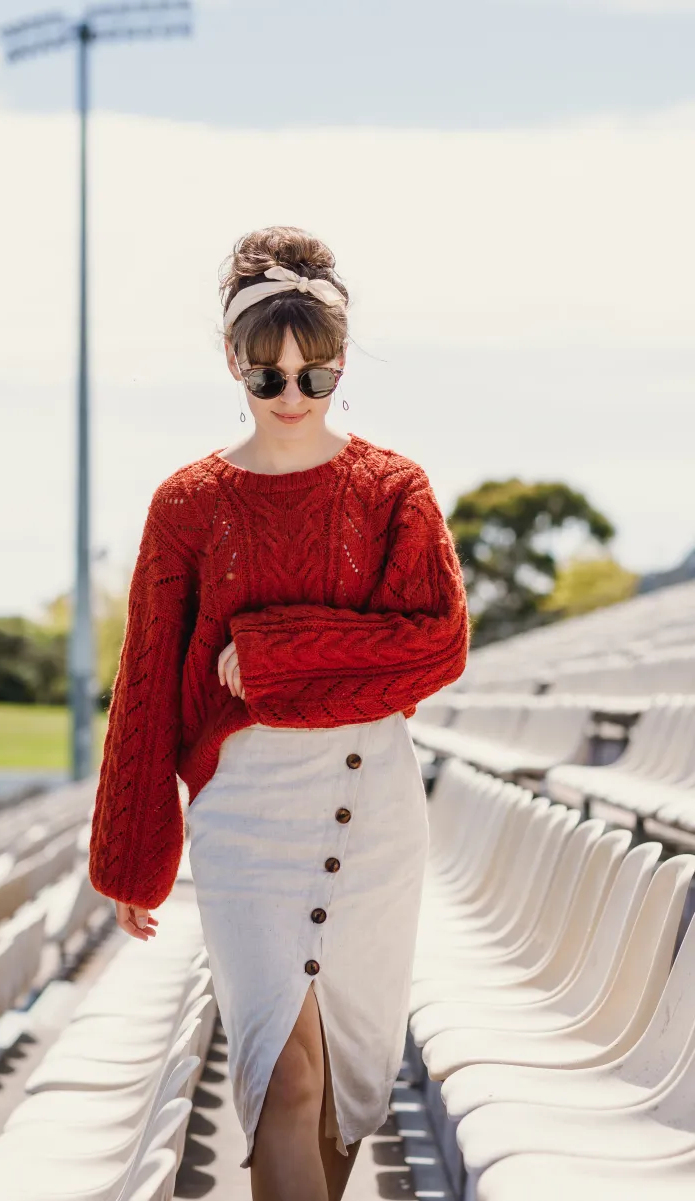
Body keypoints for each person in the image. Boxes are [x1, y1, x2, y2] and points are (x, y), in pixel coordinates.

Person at [89, 225, 469, 1200]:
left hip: (372, 809)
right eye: (269, 378)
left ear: (341, 361)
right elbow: (145, 683)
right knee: (283, 1080)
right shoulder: (187, 503)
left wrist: (272, 653)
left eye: (317, 373)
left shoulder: (393, 491)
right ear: (232, 364)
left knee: (344, 1096)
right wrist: (134, 852)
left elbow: (434, 644)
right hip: (243, 820)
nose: (294, 397)